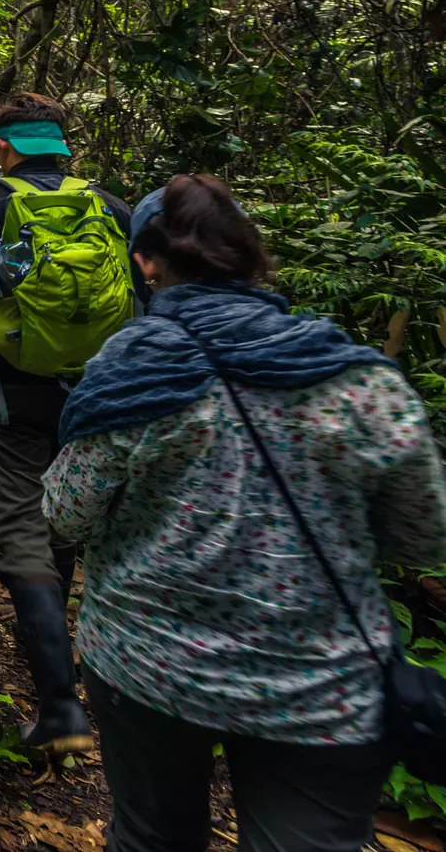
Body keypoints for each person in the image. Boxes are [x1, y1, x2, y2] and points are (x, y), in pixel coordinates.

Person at [44, 174, 446, 849]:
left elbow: (66, 510)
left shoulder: (134, 369)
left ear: (145, 260)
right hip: (322, 686)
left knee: (150, 837)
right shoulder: (354, 374)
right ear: (251, 255)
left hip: (151, 664)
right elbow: (424, 532)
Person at [0, 91, 131, 752]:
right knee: (63, 512)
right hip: (96, 395)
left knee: (19, 524)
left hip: (11, 392)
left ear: (5, 148)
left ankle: (60, 705)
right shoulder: (111, 208)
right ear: (63, 147)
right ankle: (52, 642)